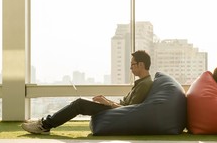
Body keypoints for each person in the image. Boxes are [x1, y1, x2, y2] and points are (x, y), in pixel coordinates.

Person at [21, 50, 153, 135]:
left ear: (141, 65)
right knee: (82, 102)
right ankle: (45, 123)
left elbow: (131, 111)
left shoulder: (144, 84)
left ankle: (44, 125)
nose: (130, 67)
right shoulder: (142, 82)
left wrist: (107, 103)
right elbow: (127, 106)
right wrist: (107, 101)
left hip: (119, 114)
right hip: (116, 110)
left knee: (80, 104)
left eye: (132, 64)